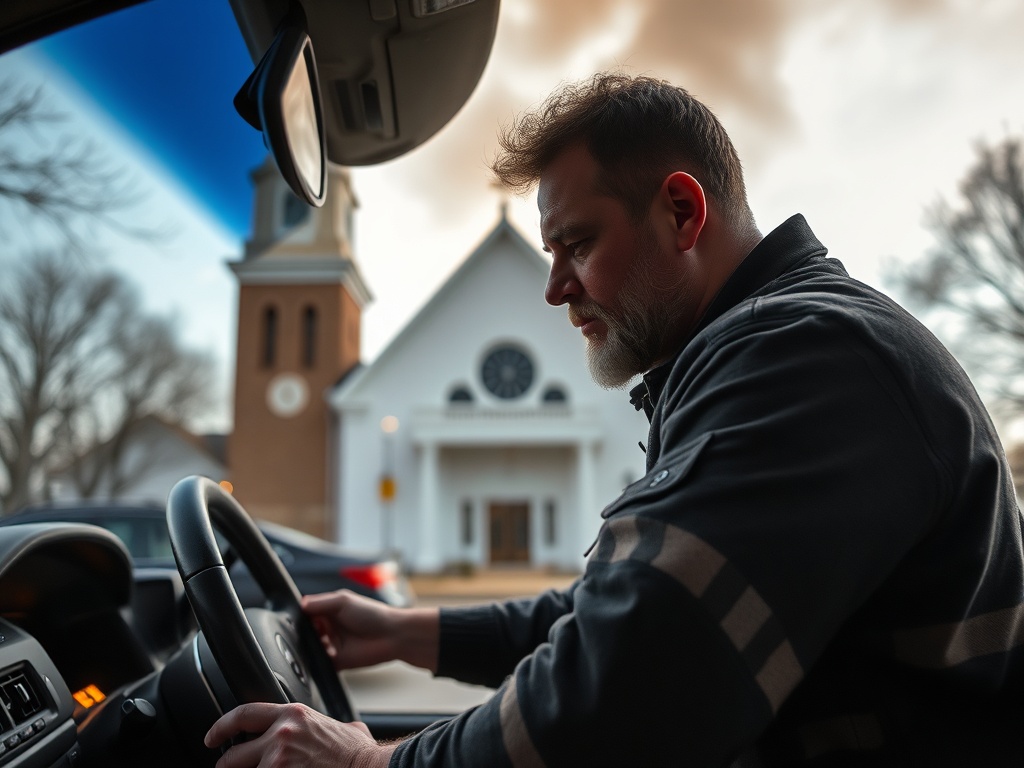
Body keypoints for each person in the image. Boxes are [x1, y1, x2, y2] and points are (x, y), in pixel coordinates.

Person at [205, 73, 1024, 766]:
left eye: (578, 244)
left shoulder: (806, 358)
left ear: (682, 212)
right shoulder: (758, 353)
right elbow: (633, 599)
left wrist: (373, 761)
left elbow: (629, 680)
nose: (554, 288)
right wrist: (407, 633)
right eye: (551, 253)